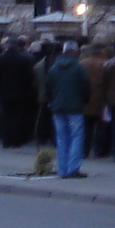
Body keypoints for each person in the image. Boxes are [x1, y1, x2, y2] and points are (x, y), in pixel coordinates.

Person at [46, 42, 89, 177]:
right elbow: (86, 88)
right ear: (75, 52)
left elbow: (48, 88)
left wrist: (52, 101)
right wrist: (83, 101)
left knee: (61, 138)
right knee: (77, 137)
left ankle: (62, 169)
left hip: (57, 107)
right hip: (75, 107)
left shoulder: (54, 68)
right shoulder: (79, 68)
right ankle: (73, 168)